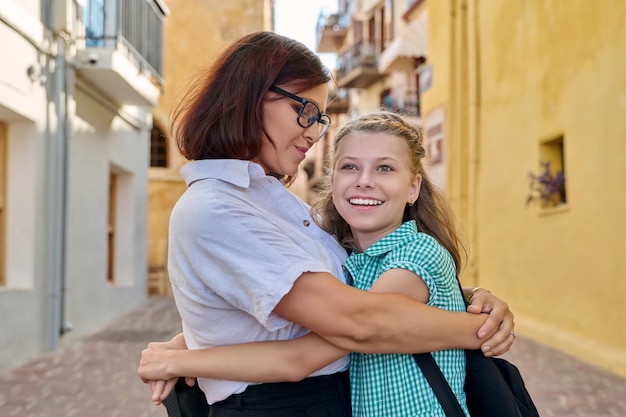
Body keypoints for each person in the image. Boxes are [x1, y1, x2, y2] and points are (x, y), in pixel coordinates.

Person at [140, 31, 515, 416]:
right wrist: (475, 330)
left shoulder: (272, 200)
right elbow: (359, 321)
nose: (314, 132)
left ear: (413, 186)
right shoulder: (216, 208)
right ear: (249, 96)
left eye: (319, 118)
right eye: (304, 110)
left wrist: (462, 298)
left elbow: (346, 296)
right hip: (279, 405)